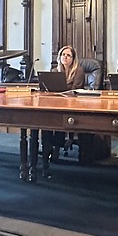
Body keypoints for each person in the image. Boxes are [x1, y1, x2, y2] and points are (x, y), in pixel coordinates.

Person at [31, 45, 87, 179]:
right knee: (45, 125)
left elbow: (75, 90)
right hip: (54, 104)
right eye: (63, 55)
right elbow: (49, 89)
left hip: (72, 105)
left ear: (73, 59)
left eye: (68, 55)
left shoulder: (78, 71)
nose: (65, 57)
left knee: (55, 125)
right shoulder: (55, 71)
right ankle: (48, 149)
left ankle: (53, 146)